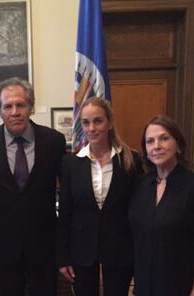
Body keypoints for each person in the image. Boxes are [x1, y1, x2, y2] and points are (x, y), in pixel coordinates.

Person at [0, 77, 66, 296]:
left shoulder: (54, 141)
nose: (15, 111)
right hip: (4, 247)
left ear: (31, 107)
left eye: (20, 105)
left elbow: (67, 192)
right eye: (8, 106)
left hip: (44, 246)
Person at [56, 97, 142, 296]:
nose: (92, 128)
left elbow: (137, 211)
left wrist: (139, 254)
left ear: (110, 123)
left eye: (98, 121)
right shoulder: (71, 163)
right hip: (82, 248)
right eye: (86, 122)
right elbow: (66, 212)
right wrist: (63, 258)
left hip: (120, 248)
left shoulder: (130, 160)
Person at [129, 115, 194, 296]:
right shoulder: (140, 185)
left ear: (178, 143)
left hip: (180, 285)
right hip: (144, 284)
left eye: (164, 138)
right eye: (150, 141)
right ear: (145, 149)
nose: (157, 146)